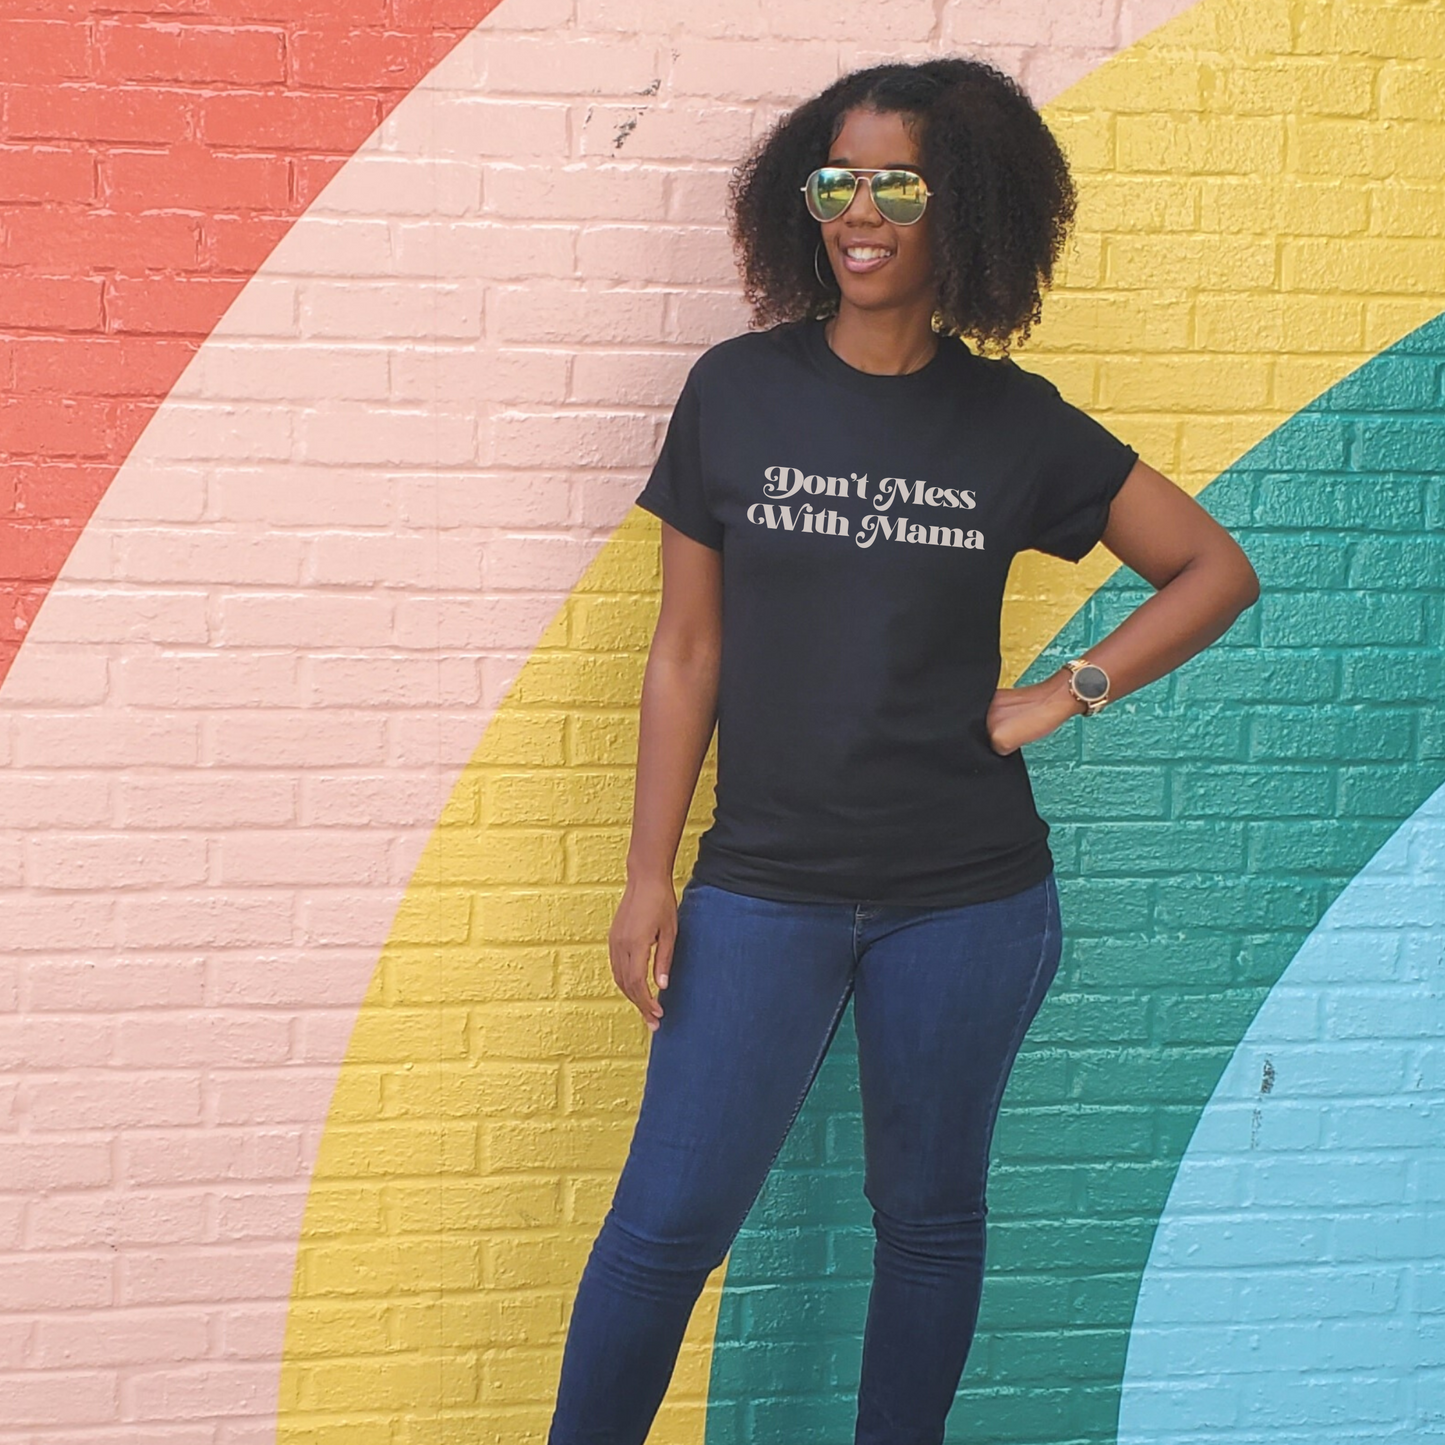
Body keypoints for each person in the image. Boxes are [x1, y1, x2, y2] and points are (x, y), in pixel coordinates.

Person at [546, 57, 1259, 1445]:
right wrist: (649, 878)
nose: (860, 212)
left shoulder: (1016, 423)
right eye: (836, 180)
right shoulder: (737, 392)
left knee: (927, 1220)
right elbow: (689, 651)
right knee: (666, 1224)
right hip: (763, 887)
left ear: (964, 209)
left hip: (970, 896)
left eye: (898, 184)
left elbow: (1212, 570)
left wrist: (1069, 690)